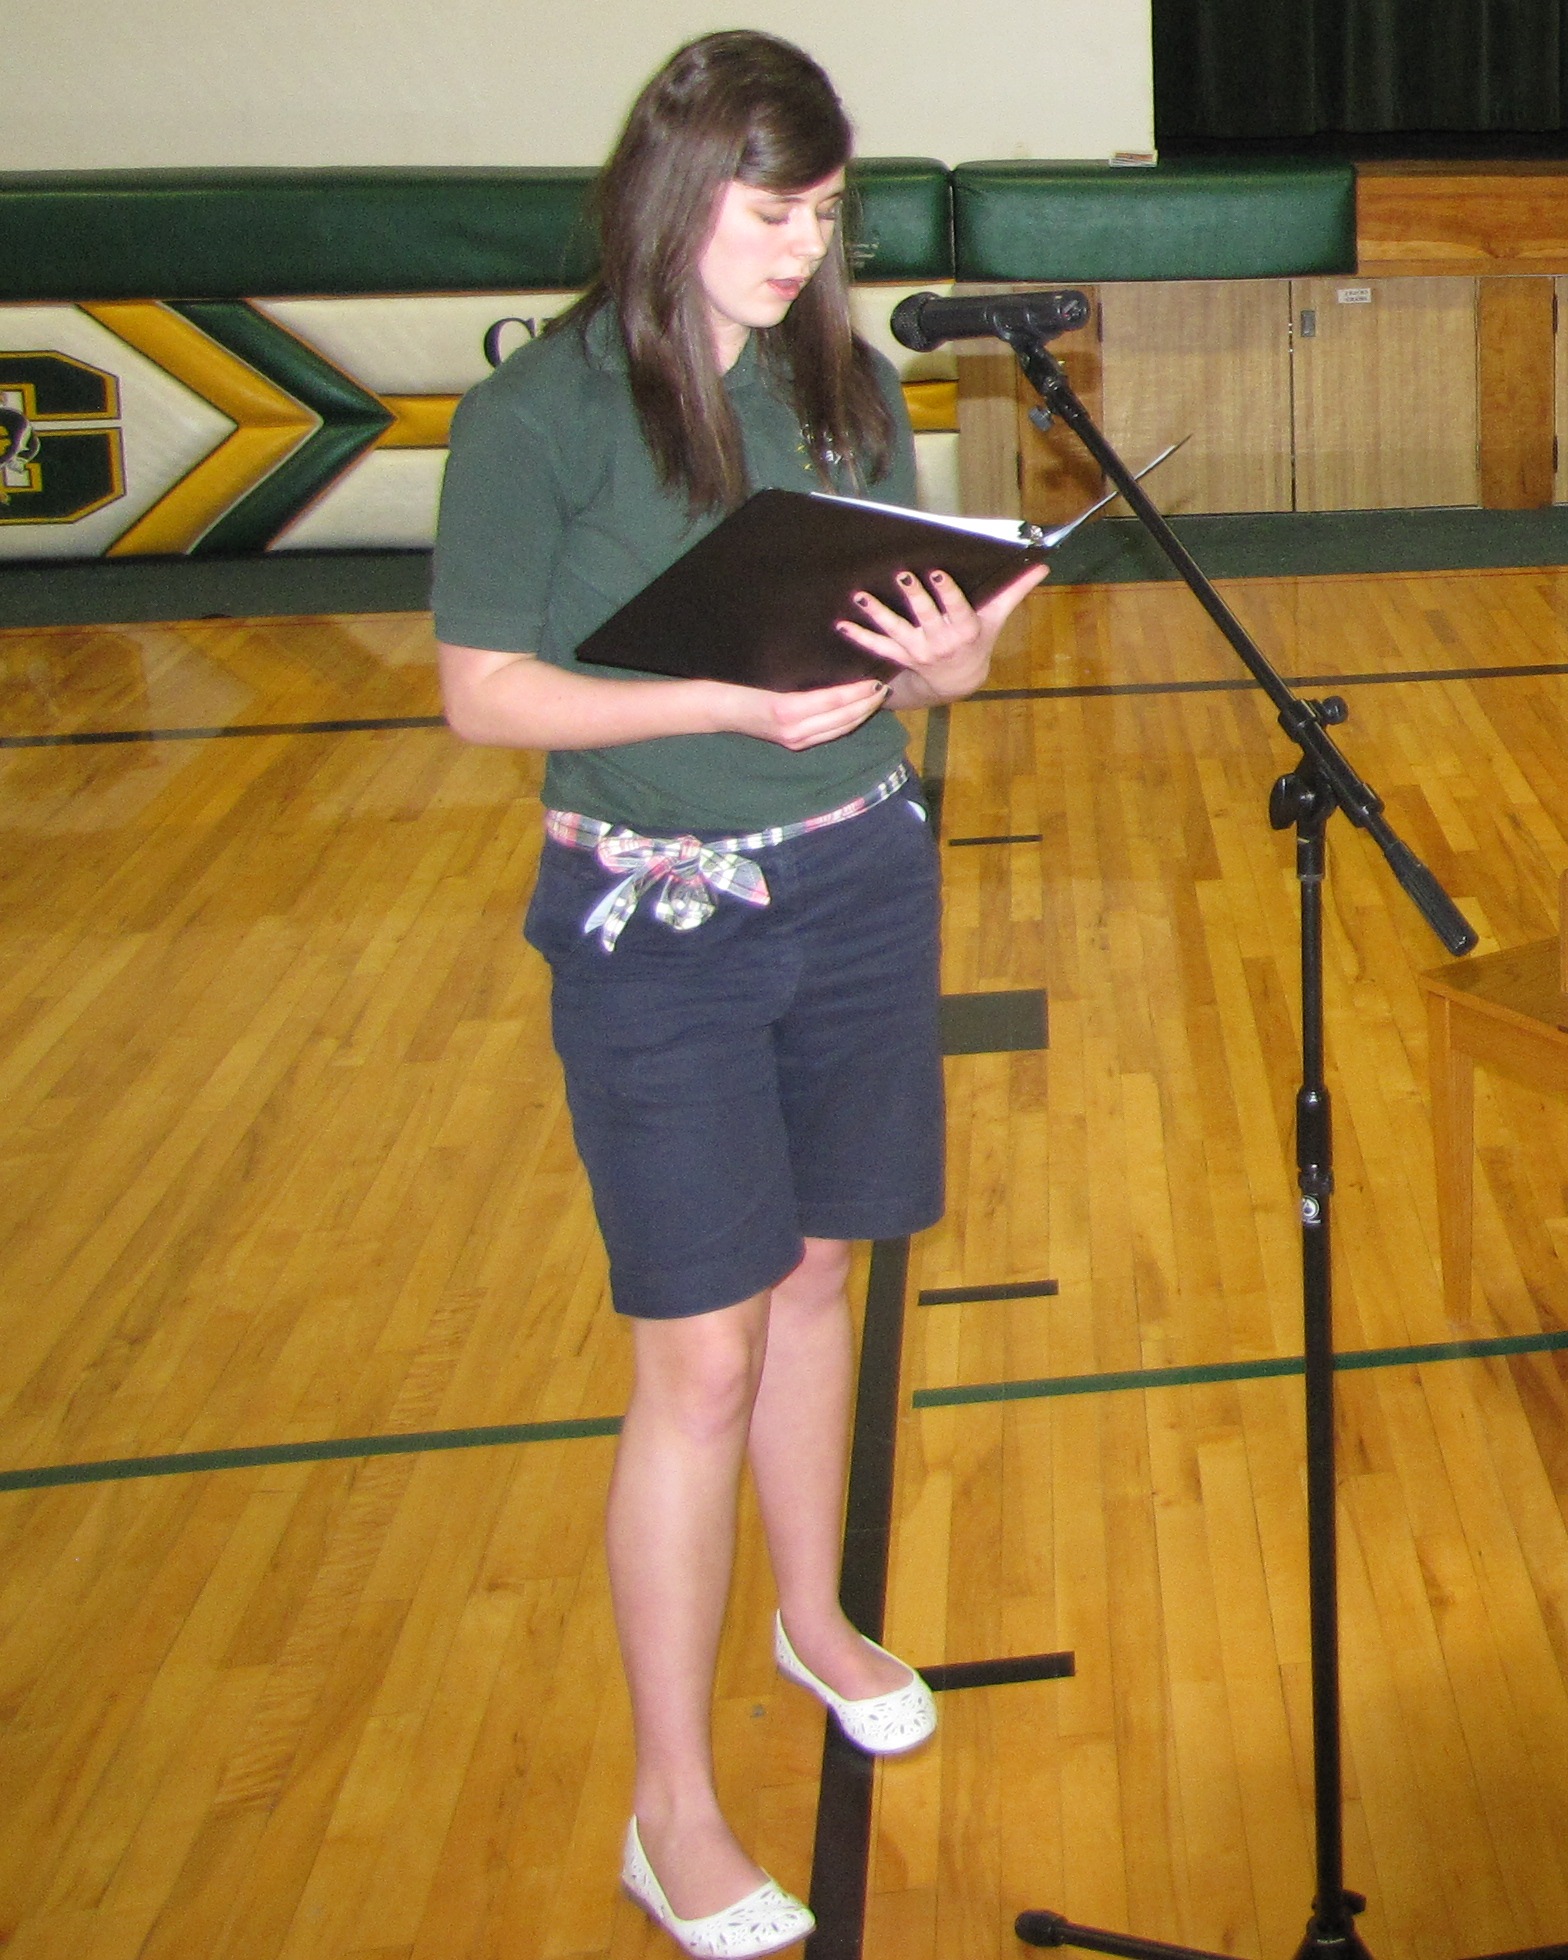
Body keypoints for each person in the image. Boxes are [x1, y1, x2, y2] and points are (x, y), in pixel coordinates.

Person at [431, 31, 1045, 1960]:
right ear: (676, 188)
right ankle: (669, 1810)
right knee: (694, 1357)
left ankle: (813, 1609)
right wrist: (716, 703)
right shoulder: (541, 417)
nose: (803, 249)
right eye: (773, 214)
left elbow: (905, 637)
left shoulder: (842, 376)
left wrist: (950, 666)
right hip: (658, 923)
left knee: (819, 1278)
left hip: (858, 876)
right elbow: (482, 695)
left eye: (828, 215)